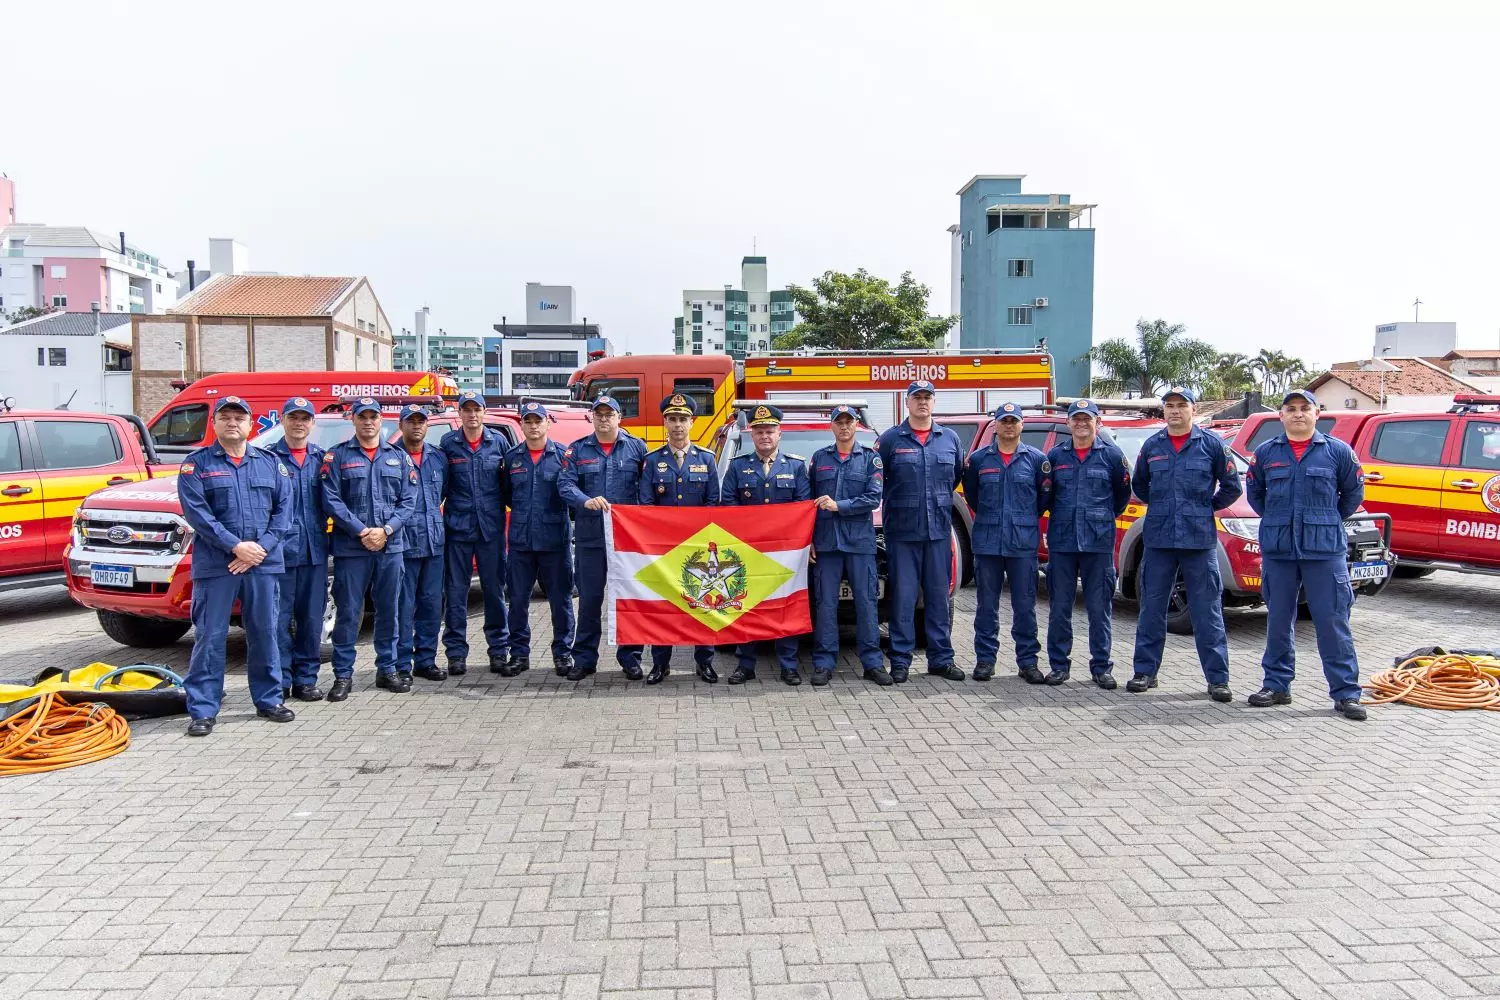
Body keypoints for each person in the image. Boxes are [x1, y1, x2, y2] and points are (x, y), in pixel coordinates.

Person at [1246, 388, 1367, 721]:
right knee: (1278, 619)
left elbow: (1351, 495)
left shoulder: (1338, 452)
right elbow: (1256, 495)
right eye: (1291, 409)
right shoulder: (1266, 453)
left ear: (1317, 413)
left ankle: (1346, 693)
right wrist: (1280, 521)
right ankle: (1277, 685)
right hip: (1280, 548)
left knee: (1332, 621)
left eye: (1305, 408)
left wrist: (1322, 520)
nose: (1298, 414)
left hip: (1324, 549)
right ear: (1281, 416)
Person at [177, 395, 293, 736]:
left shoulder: (270, 464)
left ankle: (269, 700)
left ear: (250, 424)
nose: (232, 423)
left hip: (262, 563)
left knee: (265, 633)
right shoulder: (195, 465)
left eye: (238, 417)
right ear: (213, 424)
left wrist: (260, 549)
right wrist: (235, 547)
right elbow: (198, 514)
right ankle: (203, 709)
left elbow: (284, 512)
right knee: (210, 637)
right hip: (218, 566)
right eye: (225, 417)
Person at [1128, 387, 1243, 701]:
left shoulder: (1212, 446)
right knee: (1152, 607)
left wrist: (1202, 508)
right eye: (1169, 406)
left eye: (1181, 406)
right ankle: (1145, 672)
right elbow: (1141, 485)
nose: (1175, 411)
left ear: (1194, 410)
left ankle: (1217, 679)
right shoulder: (1152, 446)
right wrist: (1166, 507)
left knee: (1207, 611)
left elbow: (1231, 488)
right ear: (1163, 411)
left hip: (1198, 540)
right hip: (1160, 539)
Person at [320, 397, 417, 698]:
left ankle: (386, 670)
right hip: (352, 548)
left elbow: (409, 500)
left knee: (390, 611)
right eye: (362, 416)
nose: (368, 422)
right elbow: (331, 499)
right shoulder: (336, 457)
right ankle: (343, 676)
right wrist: (361, 530)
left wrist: (386, 530)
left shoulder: (399, 458)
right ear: (353, 419)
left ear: (381, 421)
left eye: (373, 416)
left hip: (390, 547)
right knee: (349, 613)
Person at [877, 380, 965, 684]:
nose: (923, 402)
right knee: (903, 598)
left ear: (934, 402)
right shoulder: (890, 440)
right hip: (902, 534)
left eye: (928, 397)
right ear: (908, 402)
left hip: (938, 532)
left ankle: (941, 659)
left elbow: (954, 478)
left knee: (939, 598)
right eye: (917, 398)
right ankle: (900, 660)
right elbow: (880, 482)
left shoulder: (949, 439)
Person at [557, 395, 648, 681]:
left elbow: (647, 491)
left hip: (627, 542)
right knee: (590, 600)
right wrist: (585, 501)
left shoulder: (637, 448)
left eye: (610, 414)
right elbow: (565, 484)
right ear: (592, 418)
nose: (604, 419)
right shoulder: (578, 449)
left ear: (620, 418)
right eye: (599, 414)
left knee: (628, 600)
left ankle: (630, 658)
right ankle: (584, 659)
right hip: (591, 539)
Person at [1044, 399, 1132, 687]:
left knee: (1099, 608)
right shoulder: (1056, 457)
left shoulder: (1112, 456)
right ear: (1069, 423)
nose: (1081, 423)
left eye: (1087, 418)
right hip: (1063, 543)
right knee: (1059, 608)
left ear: (1097, 422)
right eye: (1076, 418)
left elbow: (1120, 498)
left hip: (1098, 543)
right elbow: (1046, 497)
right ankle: (1059, 665)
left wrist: (1099, 519)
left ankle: (1101, 667)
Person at [723, 404, 811, 685]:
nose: (764, 436)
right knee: (745, 606)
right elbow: (729, 506)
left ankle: (788, 665)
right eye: (759, 431)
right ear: (751, 434)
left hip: (786, 553)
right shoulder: (738, 467)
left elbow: (803, 508)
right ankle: (745, 665)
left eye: (769, 431)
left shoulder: (796, 467)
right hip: (748, 551)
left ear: (779, 434)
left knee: (785, 607)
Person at [962, 401, 1049, 683]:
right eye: (1004, 421)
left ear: (1022, 425)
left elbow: (1043, 500)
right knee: (987, 606)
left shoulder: (1036, 460)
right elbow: (973, 498)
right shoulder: (978, 461)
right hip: (988, 543)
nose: (1009, 426)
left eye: (1014, 421)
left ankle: (1027, 662)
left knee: (1025, 606)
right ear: (996, 425)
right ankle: (985, 660)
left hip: (1022, 544)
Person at [638, 393, 722, 684]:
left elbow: (713, 503)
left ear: (692, 422)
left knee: (703, 606)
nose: (677, 425)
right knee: (663, 607)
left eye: (682, 419)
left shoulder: (707, 459)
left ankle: (705, 663)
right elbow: (647, 505)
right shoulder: (652, 461)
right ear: (665, 423)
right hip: (663, 550)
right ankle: (660, 664)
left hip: (698, 548)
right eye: (672, 419)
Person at [809, 404, 889, 686]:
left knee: (867, 604)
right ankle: (824, 662)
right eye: (839, 422)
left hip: (859, 543)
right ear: (831, 426)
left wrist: (837, 505)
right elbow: (808, 505)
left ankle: (872, 663)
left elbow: (873, 499)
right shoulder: (819, 459)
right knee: (825, 604)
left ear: (857, 425)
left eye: (849, 422)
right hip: (827, 544)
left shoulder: (870, 459)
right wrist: (808, 541)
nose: (844, 426)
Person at [501, 400, 576, 678]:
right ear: (521, 425)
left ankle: (563, 654)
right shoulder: (512, 458)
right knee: (518, 600)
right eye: (528, 421)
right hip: (521, 542)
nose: (533, 426)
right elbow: (507, 494)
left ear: (547, 423)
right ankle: (519, 654)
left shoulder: (563, 456)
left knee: (561, 600)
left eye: (538, 421)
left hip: (555, 541)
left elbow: (570, 493)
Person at [438, 390, 508, 676]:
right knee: (456, 593)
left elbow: (508, 484)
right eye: (466, 410)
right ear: (459, 413)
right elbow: (440, 486)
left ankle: (499, 651)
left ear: (483, 412)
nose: (472, 415)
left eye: (476, 409)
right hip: (458, 529)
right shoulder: (448, 444)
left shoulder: (498, 442)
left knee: (494, 592)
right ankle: (455, 653)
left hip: (490, 529)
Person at [267, 396, 328, 702]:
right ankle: (279, 680)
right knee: (277, 621)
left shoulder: (321, 459)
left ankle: (305, 679)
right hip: (279, 554)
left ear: (312, 424)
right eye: (293, 417)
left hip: (315, 551)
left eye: (305, 418)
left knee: (311, 620)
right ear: (282, 420)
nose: (299, 423)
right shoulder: (266, 459)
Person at [396, 404, 448, 683]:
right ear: (401, 426)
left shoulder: (438, 458)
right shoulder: (391, 457)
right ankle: (402, 664)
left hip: (434, 543)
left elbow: (444, 492)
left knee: (431, 605)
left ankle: (426, 660)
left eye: (421, 421)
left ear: (427, 426)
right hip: (403, 545)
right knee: (403, 607)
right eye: (411, 421)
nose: (416, 426)